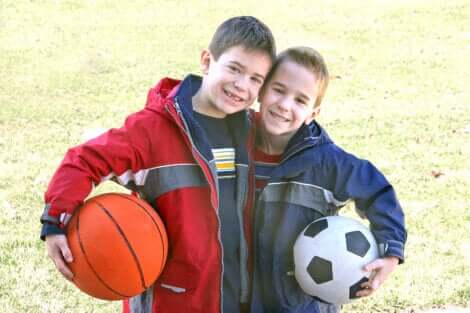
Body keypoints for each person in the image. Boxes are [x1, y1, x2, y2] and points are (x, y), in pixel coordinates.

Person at [40, 16, 275, 313]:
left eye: (256, 79)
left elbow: (313, 171)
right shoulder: (152, 130)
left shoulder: (255, 133)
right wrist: (55, 221)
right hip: (171, 301)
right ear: (207, 60)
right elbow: (84, 160)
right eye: (234, 69)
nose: (242, 85)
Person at [249, 47, 407, 313]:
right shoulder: (233, 143)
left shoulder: (327, 162)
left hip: (300, 304)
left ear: (313, 113)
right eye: (278, 90)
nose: (285, 105)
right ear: (261, 91)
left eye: (300, 100)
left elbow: (378, 192)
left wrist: (391, 252)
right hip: (238, 297)